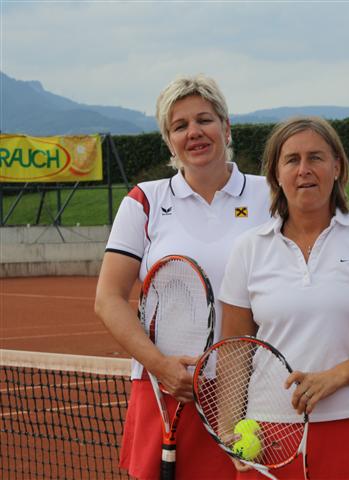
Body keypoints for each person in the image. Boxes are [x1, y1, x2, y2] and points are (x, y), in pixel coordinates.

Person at [95, 74, 271, 479]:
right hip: (168, 391)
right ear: (169, 140)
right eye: (180, 125)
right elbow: (108, 299)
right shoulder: (144, 201)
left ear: (226, 127)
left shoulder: (271, 195)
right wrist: (161, 366)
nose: (194, 132)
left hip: (255, 393)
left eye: (204, 120)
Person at [219, 116, 349, 479]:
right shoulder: (248, 248)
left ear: (337, 166)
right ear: (276, 174)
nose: (304, 169)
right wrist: (228, 426)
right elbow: (234, 348)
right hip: (268, 434)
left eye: (316, 158)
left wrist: (336, 377)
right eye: (292, 160)